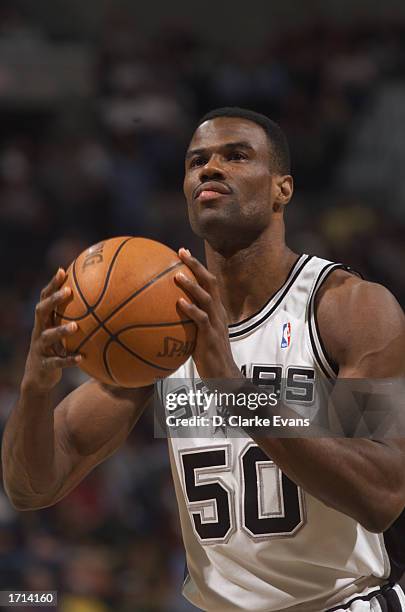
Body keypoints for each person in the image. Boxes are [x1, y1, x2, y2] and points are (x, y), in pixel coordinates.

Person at [2, 107, 405, 612]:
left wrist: (230, 388)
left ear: (283, 189)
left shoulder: (341, 309)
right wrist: (35, 391)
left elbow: (382, 495)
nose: (210, 169)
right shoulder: (161, 331)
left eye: (236, 156)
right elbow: (32, 486)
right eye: (197, 162)